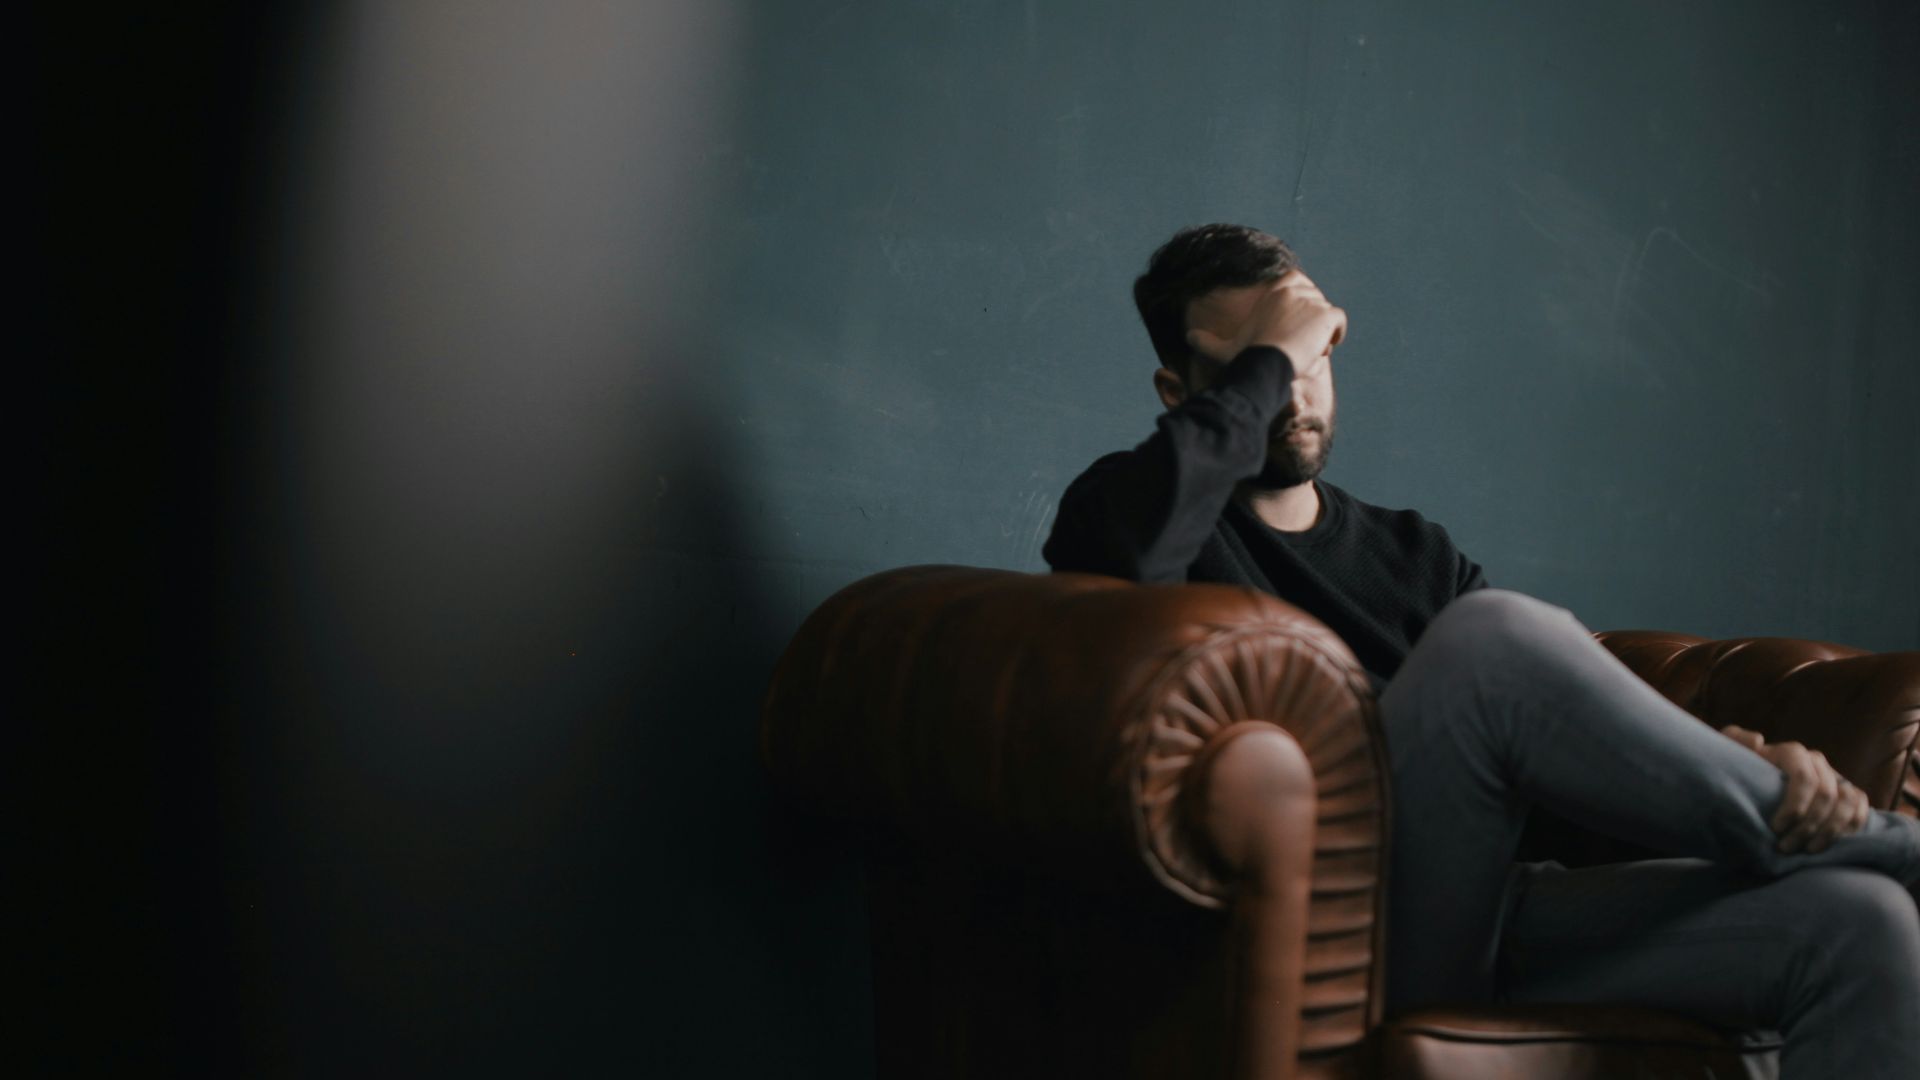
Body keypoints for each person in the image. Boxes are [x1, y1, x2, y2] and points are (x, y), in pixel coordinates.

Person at [1042, 223, 1920, 1077]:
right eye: (1260, 366)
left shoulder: (1414, 553)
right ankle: (1885, 845)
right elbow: (1128, 558)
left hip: (1489, 915)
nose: (1294, 394)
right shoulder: (1128, 509)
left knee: (1861, 921)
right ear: (1179, 392)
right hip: (1332, 933)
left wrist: (1726, 762)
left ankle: (1842, 849)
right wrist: (1274, 353)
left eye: (1312, 355)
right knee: (1490, 638)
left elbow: (1558, 750)